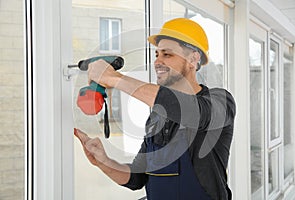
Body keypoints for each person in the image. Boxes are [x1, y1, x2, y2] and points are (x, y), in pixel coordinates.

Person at [74, 18, 236, 200]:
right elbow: (137, 176)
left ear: (193, 59)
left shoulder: (219, 101)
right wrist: (103, 162)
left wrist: (114, 78)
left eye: (167, 55)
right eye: (157, 55)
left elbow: (193, 112)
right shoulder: (157, 116)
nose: (157, 61)